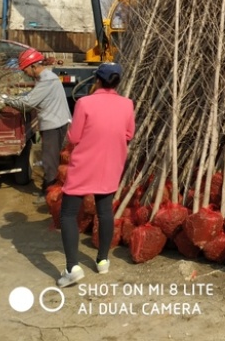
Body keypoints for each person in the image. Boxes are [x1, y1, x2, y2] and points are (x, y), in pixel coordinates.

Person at [57, 61, 135, 287]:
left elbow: (73, 137)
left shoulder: (84, 102)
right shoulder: (127, 104)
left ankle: (72, 267)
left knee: (69, 214)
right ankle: (102, 261)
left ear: (97, 80)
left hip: (84, 164)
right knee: (105, 211)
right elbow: (129, 133)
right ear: (118, 81)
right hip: (111, 163)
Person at [2, 48, 71, 202]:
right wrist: (17, 96)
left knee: (49, 161)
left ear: (34, 66)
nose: (25, 73)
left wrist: (5, 99)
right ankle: (53, 190)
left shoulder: (46, 80)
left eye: (25, 69)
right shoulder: (45, 78)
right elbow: (31, 96)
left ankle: (49, 194)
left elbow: (27, 104)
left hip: (53, 124)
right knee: (52, 159)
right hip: (57, 121)